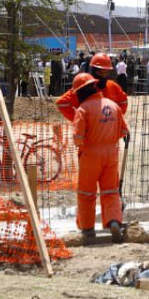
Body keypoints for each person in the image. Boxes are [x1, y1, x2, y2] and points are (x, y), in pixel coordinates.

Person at [70, 74, 129, 244]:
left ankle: (88, 230)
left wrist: (86, 144)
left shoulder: (83, 109)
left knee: (87, 193)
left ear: (81, 92)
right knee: (111, 191)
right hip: (111, 154)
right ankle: (114, 222)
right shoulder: (113, 106)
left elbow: (78, 137)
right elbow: (124, 132)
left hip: (90, 155)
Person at [57, 52, 128, 122]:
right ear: (93, 71)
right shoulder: (84, 87)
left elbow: (123, 101)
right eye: (100, 72)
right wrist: (80, 119)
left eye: (106, 72)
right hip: (90, 131)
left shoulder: (113, 86)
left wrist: (116, 119)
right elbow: (62, 103)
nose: (103, 76)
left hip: (108, 130)